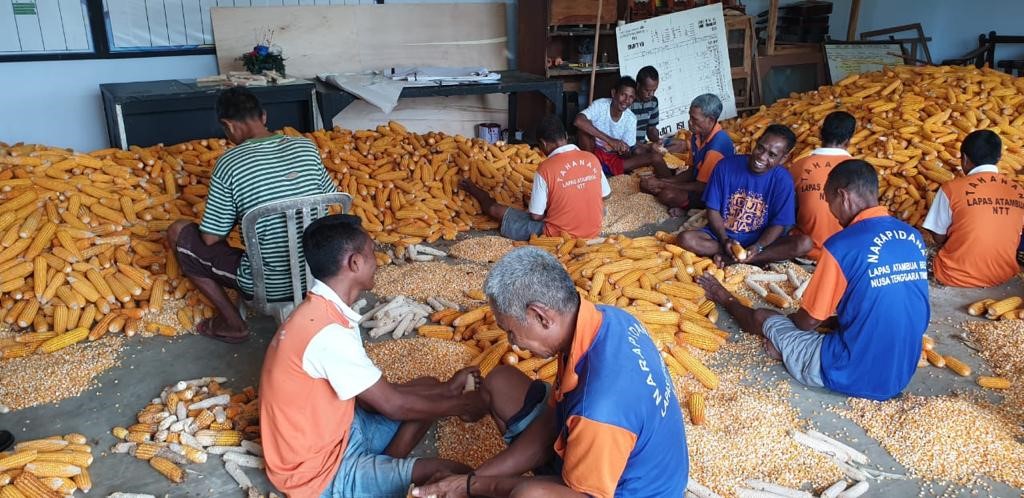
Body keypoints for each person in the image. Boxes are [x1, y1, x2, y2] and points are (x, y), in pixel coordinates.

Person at [411, 247, 688, 498]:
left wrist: (471, 487)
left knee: (529, 495)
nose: (512, 342)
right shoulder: (606, 320)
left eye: (511, 330)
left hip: (624, 488)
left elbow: (585, 494)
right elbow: (552, 421)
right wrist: (473, 479)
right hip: (609, 449)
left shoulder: (598, 409)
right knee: (501, 382)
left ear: (541, 316)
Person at [259, 214, 486, 498]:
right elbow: (393, 406)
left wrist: (447, 390)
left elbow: (369, 400)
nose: (377, 261)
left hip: (341, 430)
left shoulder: (323, 311)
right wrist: (462, 405)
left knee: (429, 386)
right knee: (458, 473)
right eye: (371, 253)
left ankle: (380, 471)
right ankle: (372, 477)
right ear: (355, 263)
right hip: (317, 472)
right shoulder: (327, 334)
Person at [697, 160, 929, 401]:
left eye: (829, 203)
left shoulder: (842, 246)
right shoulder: (912, 236)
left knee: (764, 317)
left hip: (848, 372)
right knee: (841, 318)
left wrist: (786, 325)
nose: (832, 213)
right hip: (900, 371)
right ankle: (791, 349)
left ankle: (724, 297)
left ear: (843, 196)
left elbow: (807, 322)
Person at [165, 87, 338, 343]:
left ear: (228, 126)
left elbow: (211, 238)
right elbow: (332, 200)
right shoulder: (306, 148)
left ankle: (233, 323)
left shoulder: (229, 163)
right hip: (324, 273)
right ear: (264, 116)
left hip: (269, 287)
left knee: (178, 231)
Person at [676, 124, 811, 266]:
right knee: (685, 239)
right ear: (756, 142)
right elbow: (713, 210)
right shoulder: (725, 166)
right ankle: (737, 255)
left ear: (783, 158)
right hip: (724, 236)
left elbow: (779, 224)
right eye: (760, 148)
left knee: (804, 243)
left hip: (761, 240)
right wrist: (725, 240)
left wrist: (758, 246)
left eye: (772, 155)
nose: (762, 157)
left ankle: (742, 258)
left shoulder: (783, 180)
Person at [461, 116, 610, 240]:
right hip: (593, 229)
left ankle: (473, 189)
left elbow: (536, 216)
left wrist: (550, 209)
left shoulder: (545, 168)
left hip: (561, 235)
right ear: (565, 135)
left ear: (543, 143)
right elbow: (606, 195)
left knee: (495, 209)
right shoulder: (591, 158)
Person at [923, 130, 1024, 287]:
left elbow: (938, 237)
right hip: (1002, 276)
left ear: (964, 159)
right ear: (999, 158)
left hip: (953, 275)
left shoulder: (950, 188)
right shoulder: (1018, 191)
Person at [640, 93, 736, 214]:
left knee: (667, 195)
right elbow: (692, 170)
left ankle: (691, 211)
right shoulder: (697, 135)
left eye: (695, 119)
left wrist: (663, 184)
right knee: (645, 184)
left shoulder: (716, 147)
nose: (690, 122)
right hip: (697, 184)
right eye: (690, 116)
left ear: (711, 120)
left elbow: (701, 187)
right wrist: (666, 181)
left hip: (712, 194)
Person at [789, 111, 856, 261]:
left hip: (806, 253)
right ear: (849, 140)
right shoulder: (858, 170)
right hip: (844, 257)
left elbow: (787, 210)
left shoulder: (800, 165)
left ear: (820, 133)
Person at [574, 76, 667, 176]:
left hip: (615, 159)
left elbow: (627, 155)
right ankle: (591, 169)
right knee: (583, 130)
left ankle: (667, 181)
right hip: (593, 154)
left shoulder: (631, 119)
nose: (626, 100)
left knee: (655, 157)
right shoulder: (600, 105)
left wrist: (622, 150)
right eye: (623, 95)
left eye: (631, 97)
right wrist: (610, 140)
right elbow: (578, 121)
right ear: (614, 93)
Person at [631, 66, 661, 144]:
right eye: (647, 90)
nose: (651, 94)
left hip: (644, 144)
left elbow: (651, 129)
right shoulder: (628, 101)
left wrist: (658, 140)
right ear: (638, 86)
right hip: (629, 145)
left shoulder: (653, 102)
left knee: (681, 144)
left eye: (654, 90)